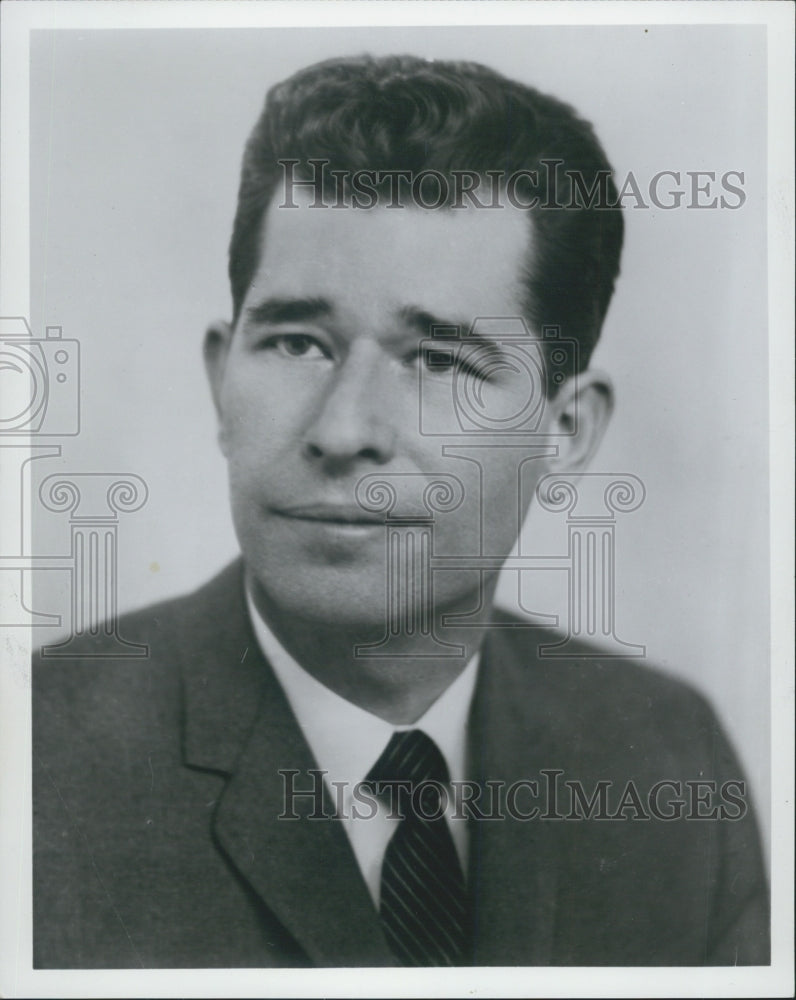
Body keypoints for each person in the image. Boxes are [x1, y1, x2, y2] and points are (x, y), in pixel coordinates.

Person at [32, 54, 769, 968]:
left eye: (440, 362)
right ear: (222, 379)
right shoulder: (31, 773)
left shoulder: (665, 757)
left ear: (566, 430)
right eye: (298, 342)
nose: (344, 430)